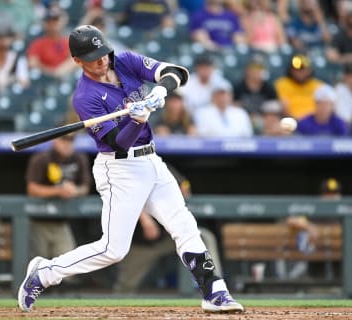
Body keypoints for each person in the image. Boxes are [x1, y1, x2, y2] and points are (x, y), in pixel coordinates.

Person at [17, 25, 244, 314]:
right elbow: (118, 142)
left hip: (152, 161)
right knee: (114, 249)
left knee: (184, 224)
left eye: (102, 53)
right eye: (93, 56)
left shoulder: (123, 60)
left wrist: (161, 89)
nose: (101, 60)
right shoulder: (85, 97)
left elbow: (176, 72)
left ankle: (214, 291)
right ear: (77, 61)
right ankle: (45, 272)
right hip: (119, 169)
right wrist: (137, 119)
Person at [113, 164, 223, 294]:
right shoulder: (123, 168)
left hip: (168, 237)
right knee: (126, 287)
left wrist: (183, 188)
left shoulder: (158, 165)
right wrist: (145, 218)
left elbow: (184, 185)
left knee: (204, 237)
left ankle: (215, 287)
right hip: (140, 243)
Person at [25, 133, 91, 260]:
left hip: (62, 221)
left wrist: (74, 191)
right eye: (63, 140)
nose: (67, 144)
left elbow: (85, 187)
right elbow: (31, 189)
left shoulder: (78, 158)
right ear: (54, 140)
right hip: (39, 219)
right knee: (38, 263)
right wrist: (58, 191)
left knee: (68, 263)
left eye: (71, 141)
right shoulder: (42, 158)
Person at [26, 7, 78, 80]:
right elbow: (32, 63)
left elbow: (76, 61)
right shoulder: (38, 44)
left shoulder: (70, 41)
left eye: (55, 20)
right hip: (45, 80)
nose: (52, 23)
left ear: (62, 21)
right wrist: (52, 72)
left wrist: (59, 71)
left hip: (67, 78)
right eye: (49, 20)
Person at [233, 55, 278, 131]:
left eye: (259, 68)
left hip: (265, 123)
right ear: (247, 70)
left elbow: (274, 110)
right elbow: (234, 109)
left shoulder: (269, 88)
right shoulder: (238, 87)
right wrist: (249, 117)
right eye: (253, 68)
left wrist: (263, 119)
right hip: (244, 121)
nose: (256, 71)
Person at [274, 53, 324, 120]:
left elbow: (324, 107)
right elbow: (284, 107)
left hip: (315, 122)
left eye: (302, 68)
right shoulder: (282, 84)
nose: (299, 72)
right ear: (291, 70)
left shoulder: (318, 85)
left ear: (309, 70)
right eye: (296, 69)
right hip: (293, 121)